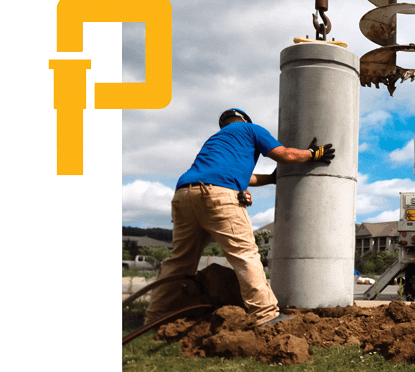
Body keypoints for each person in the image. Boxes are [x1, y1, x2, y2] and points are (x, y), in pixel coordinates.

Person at [144, 108, 335, 327]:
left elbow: (243, 177)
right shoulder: (250, 129)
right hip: (217, 194)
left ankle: (154, 317)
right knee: (245, 255)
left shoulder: (217, 141)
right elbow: (286, 154)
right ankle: (266, 315)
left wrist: (271, 179)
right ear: (245, 120)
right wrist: (312, 154)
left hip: (184, 195)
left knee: (179, 261)